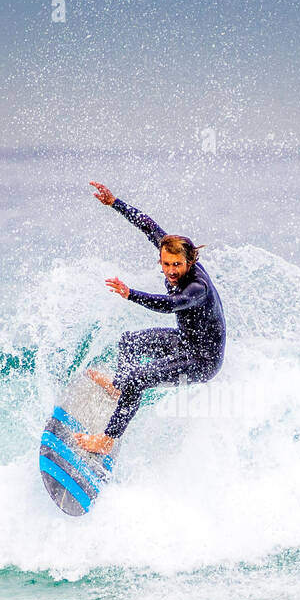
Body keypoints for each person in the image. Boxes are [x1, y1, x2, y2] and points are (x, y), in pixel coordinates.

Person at [73, 181, 228, 455]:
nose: (170, 270)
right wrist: (115, 202)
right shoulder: (170, 251)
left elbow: (171, 305)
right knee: (129, 342)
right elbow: (148, 226)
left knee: (138, 378)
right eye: (166, 263)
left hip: (202, 360)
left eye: (177, 265)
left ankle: (107, 441)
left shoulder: (196, 287)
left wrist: (130, 293)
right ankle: (118, 389)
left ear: (190, 262)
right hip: (186, 341)